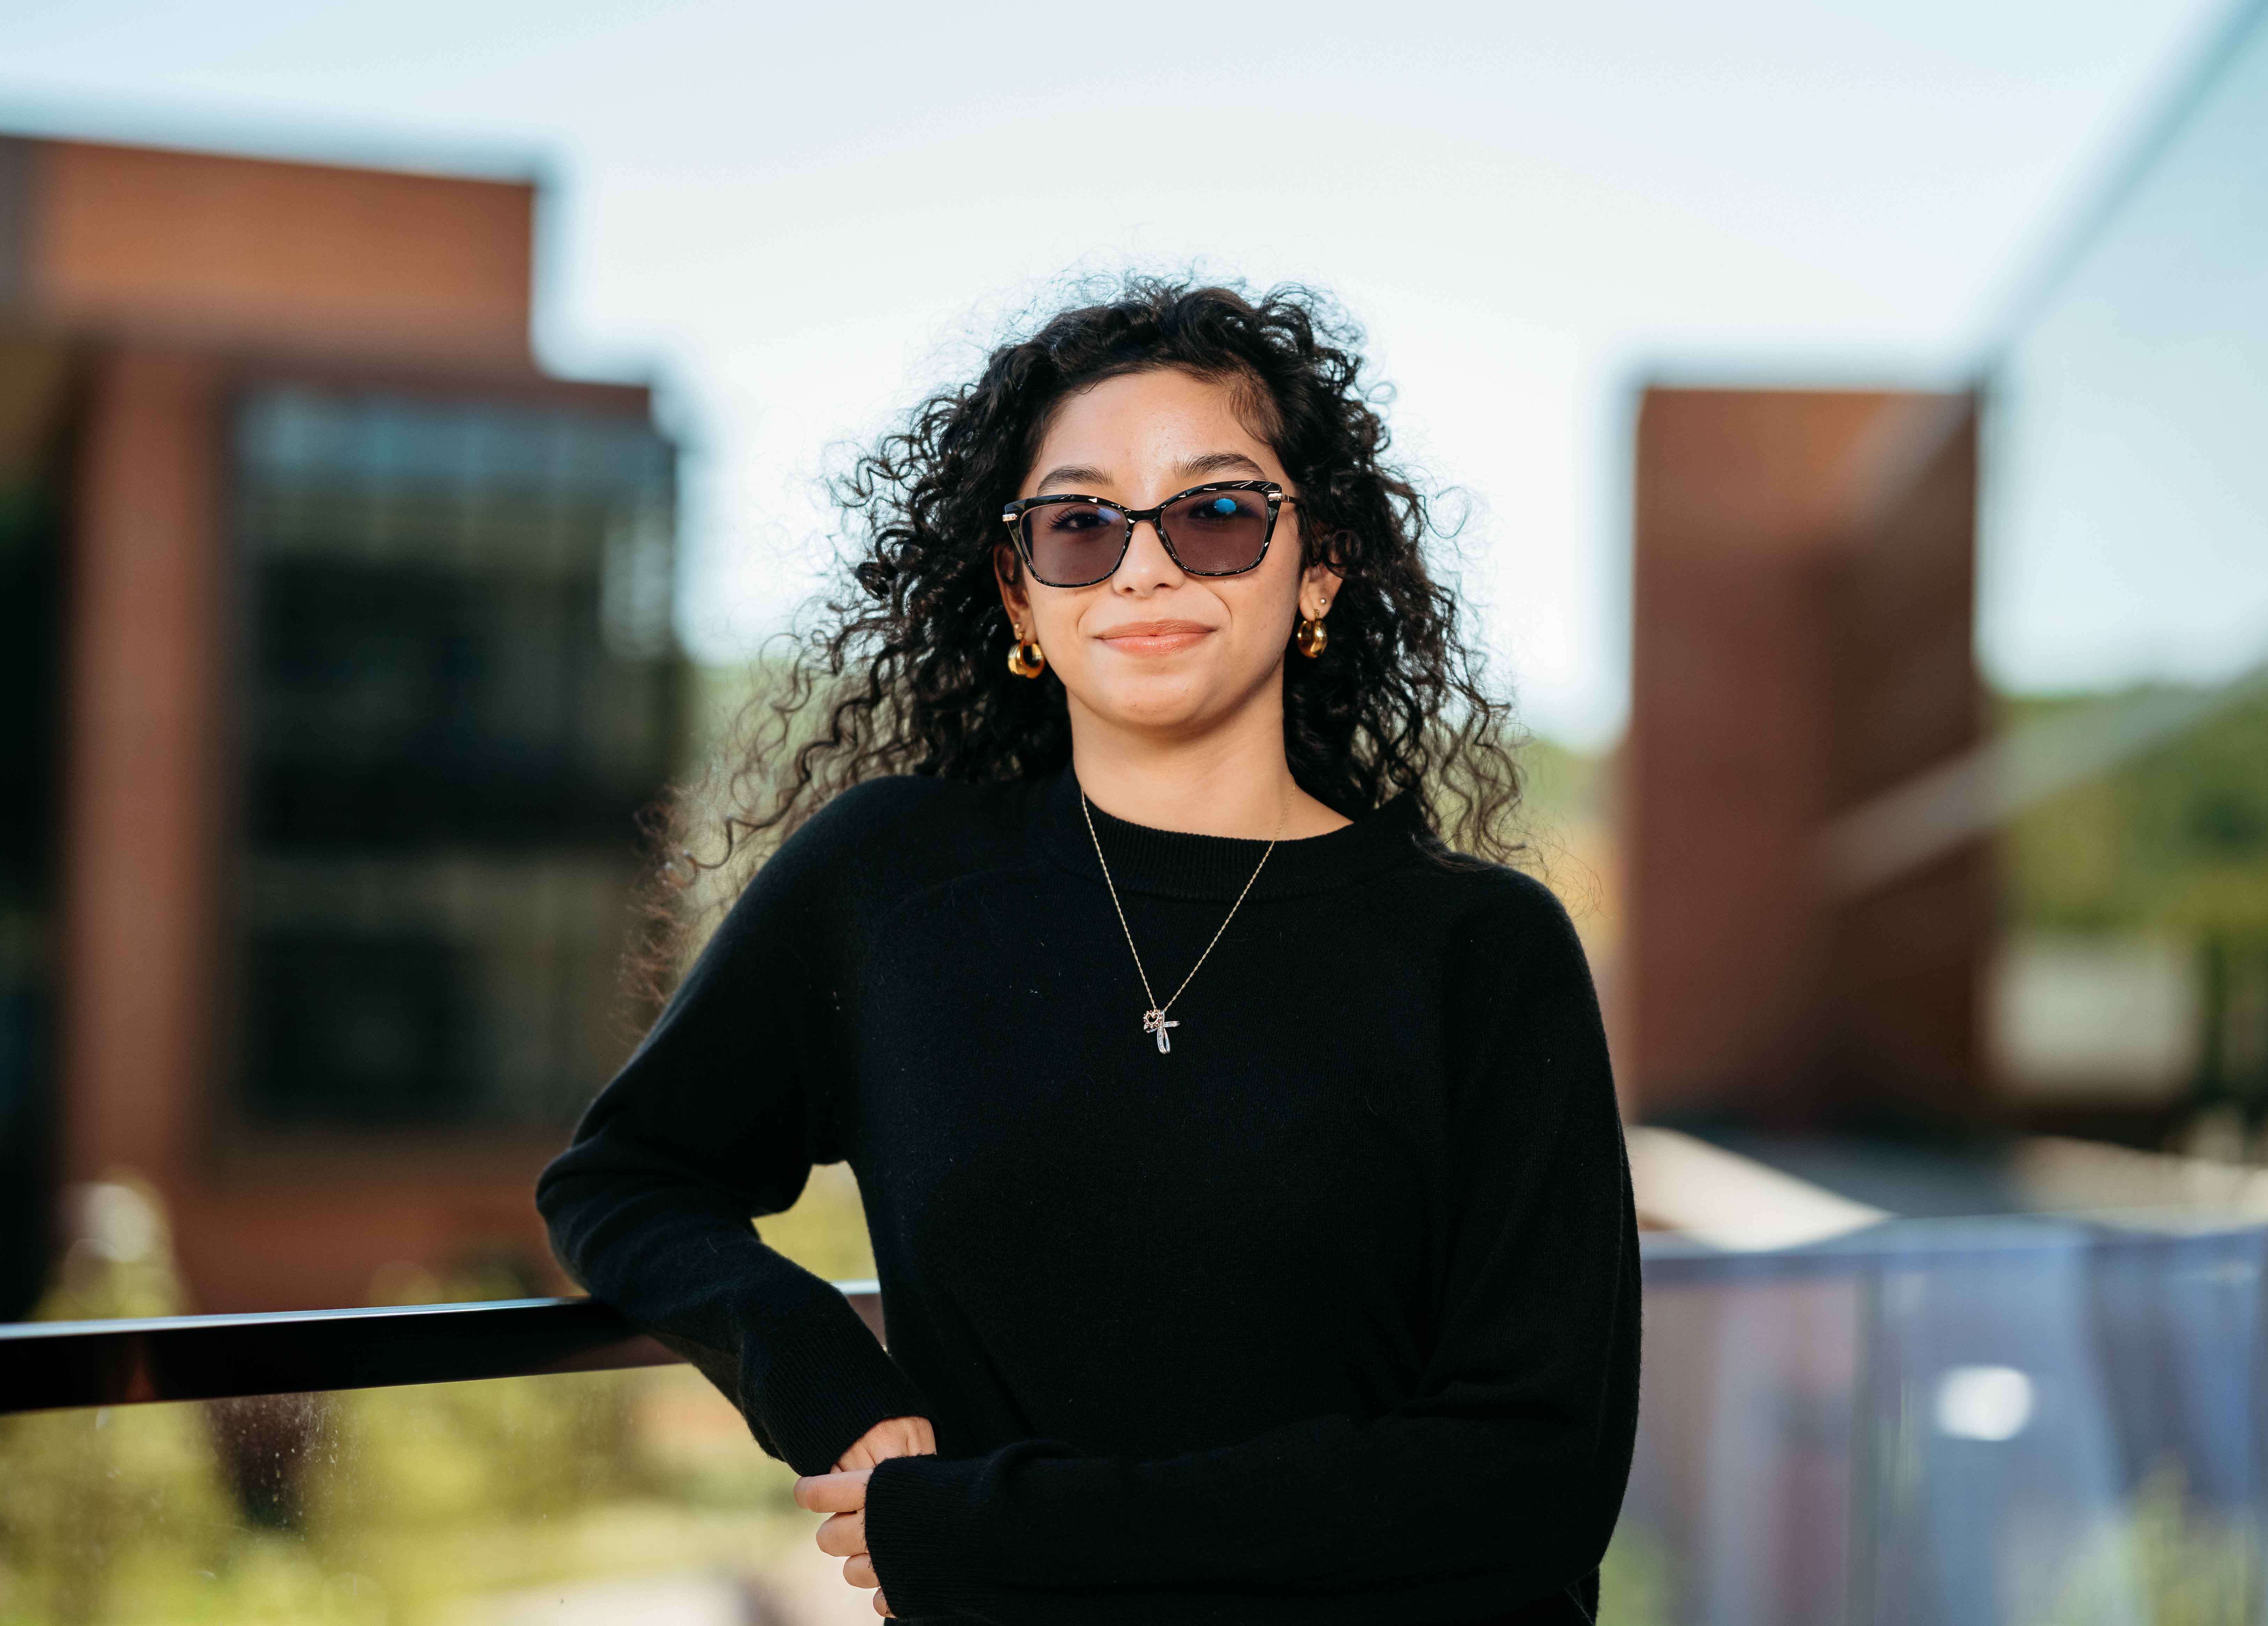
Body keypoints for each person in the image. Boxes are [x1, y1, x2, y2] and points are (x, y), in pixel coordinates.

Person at [535, 279, 1638, 1624]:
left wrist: (994, 1534)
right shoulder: (892, 884)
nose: (1144, 566)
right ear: (1020, 590)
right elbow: (625, 1181)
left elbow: (1531, 1486)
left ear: (1322, 567)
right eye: (1078, 524)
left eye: (1217, 512)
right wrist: (827, 1377)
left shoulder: (1482, 951)